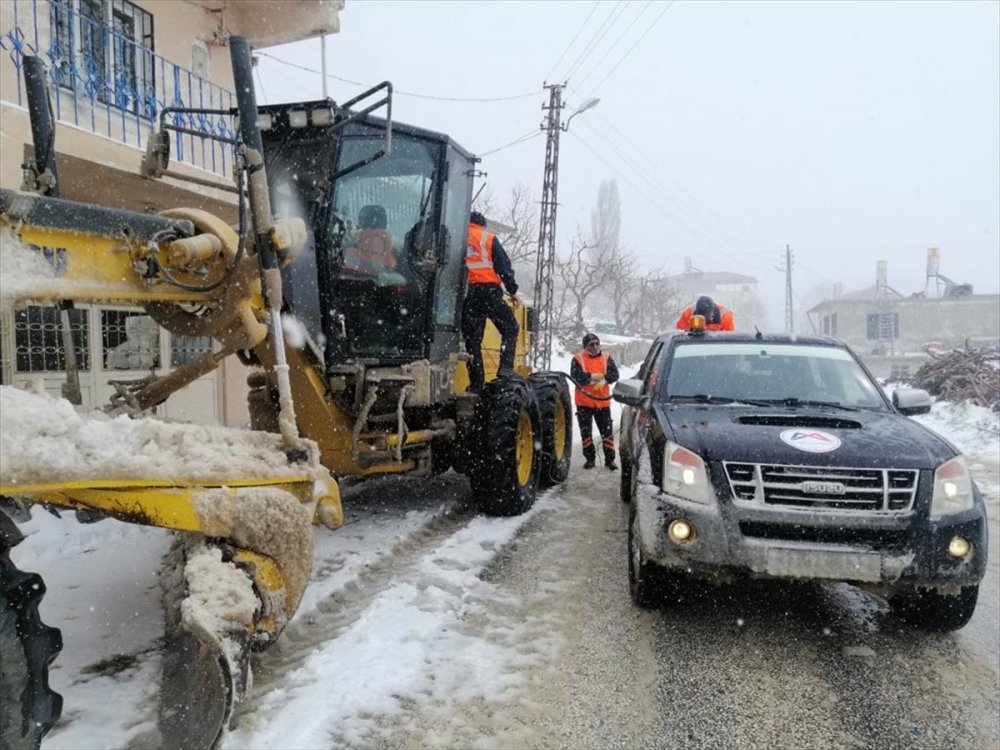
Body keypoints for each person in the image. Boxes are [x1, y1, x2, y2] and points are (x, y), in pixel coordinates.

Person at [461, 211, 520, 392]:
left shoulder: (458, 237)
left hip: (468, 293)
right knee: (510, 328)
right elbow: (503, 267)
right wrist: (512, 290)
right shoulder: (488, 238)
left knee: (473, 341)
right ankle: (505, 369)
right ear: (482, 225)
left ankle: (476, 383)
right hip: (489, 292)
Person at [571, 333, 620, 470]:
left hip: (602, 403)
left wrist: (604, 380)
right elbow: (576, 376)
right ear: (585, 347)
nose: (595, 346)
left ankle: (610, 460)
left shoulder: (606, 358)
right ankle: (590, 459)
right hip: (584, 403)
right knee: (586, 434)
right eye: (591, 344)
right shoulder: (578, 359)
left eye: (597, 343)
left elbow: (615, 374)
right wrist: (592, 377)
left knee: (607, 433)